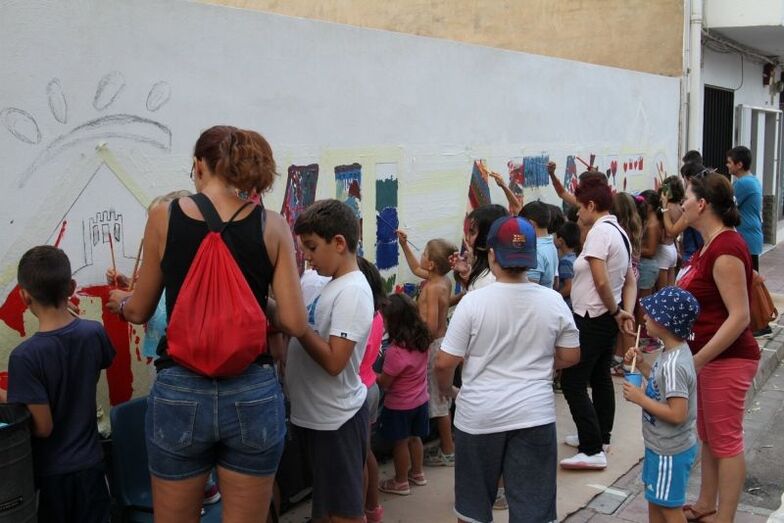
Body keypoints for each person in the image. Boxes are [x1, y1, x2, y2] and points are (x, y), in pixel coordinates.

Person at [107, 126, 307, 523]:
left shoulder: (164, 216)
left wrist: (122, 302)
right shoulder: (272, 225)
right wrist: (252, 302)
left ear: (200, 165)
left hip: (181, 389)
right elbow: (294, 321)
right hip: (252, 389)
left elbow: (140, 310)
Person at [435, 216, 581, 522]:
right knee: (533, 512)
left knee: (473, 511)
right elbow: (571, 355)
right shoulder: (553, 301)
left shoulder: (472, 303)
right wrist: (542, 363)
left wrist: (448, 390)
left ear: (491, 255)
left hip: (478, 416)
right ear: (531, 258)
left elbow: (445, 362)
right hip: (534, 414)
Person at [4, 246, 115, 522]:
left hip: (53, 476)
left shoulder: (25, 357)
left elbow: (43, 427)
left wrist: (5, 395)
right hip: (92, 465)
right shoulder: (93, 332)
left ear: (24, 296)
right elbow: (92, 367)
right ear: (71, 288)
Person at [676, 173, 760, 523]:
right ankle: (706, 503)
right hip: (711, 358)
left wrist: (697, 360)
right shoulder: (710, 244)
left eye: (685, 197)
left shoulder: (725, 248)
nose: (681, 204)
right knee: (709, 436)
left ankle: (724, 516)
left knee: (725, 440)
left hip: (728, 359)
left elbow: (740, 317)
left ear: (702, 204)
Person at [288, 198, 375, 523]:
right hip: (318, 418)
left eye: (312, 247)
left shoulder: (352, 292)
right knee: (327, 508)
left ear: (339, 243)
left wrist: (298, 328)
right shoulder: (333, 285)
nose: (307, 257)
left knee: (344, 513)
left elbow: (335, 361)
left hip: (335, 421)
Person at [560, 175, 636, 470]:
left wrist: (617, 311)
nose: (578, 213)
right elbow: (629, 280)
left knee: (573, 382)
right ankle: (598, 437)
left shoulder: (600, 232)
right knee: (600, 377)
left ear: (591, 205)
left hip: (593, 316)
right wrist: (622, 312)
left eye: (580, 207)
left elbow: (601, 280)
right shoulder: (619, 231)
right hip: (603, 316)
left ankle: (591, 449)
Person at [622, 287, 700, 523]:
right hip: (661, 446)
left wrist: (641, 398)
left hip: (670, 451)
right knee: (656, 501)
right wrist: (642, 365)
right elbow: (661, 385)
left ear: (666, 323)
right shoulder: (671, 353)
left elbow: (677, 414)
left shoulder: (674, 365)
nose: (645, 316)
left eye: (651, 313)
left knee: (669, 509)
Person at [397, 232, 458, 467]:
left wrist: (416, 345)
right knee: (441, 397)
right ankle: (448, 445)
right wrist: (404, 245)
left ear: (431, 264)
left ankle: (448, 450)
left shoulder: (432, 288)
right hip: (441, 343)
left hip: (431, 346)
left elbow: (431, 325)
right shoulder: (442, 281)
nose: (421, 256)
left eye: (424, 253)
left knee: (438, 403)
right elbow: (415, 269)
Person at [376, 293, 433, 495]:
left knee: (400, 442)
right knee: (415, 438)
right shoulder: (422, 341)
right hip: (421, 401)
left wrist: (371, 374)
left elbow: (385, 382)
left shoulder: (395, 352)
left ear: (393, 321)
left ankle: (400, 481)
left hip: (399, 406)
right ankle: (417, 473)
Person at [355, 257, 387, 523]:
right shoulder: (377, 314)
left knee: (358, 459)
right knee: (365, 454)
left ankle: (358, 513)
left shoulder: (362, 315)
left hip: (359, 390)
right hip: (370, 385)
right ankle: (372, 508)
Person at [727, 146, 763, 271]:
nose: (727, 165)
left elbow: (726, 205)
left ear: (739, 165)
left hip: (745, 238)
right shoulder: (753, 180)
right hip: (751, 237)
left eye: (729, 162)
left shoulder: (743, 183)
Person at [520, 201, 559, 289]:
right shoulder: (550, 245)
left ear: (530, 224)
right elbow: (556, 282)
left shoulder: (535, 252)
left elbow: (529, 290)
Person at [555, 221, 580, 308]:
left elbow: (569, 287)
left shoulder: (565, 262)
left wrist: (556, 296)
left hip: (568, 304)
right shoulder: (575, 257)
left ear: (560, 241)